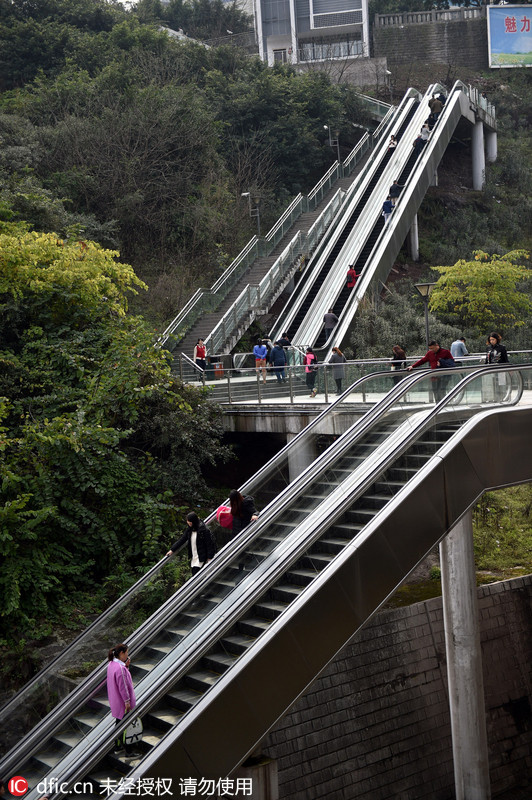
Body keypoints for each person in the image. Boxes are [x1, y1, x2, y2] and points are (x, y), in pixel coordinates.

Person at [107, 643, 137, 755]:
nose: (127, 655)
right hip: (123, 704)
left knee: (118, 723)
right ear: (121, 653)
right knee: (127, 726)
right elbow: (123, 686)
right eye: (127, 652)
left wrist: (126, 666)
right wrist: (127, 702)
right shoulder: (120, 668)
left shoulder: (111, 664)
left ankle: (117, 746)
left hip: (115, 702)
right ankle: (129, 751)